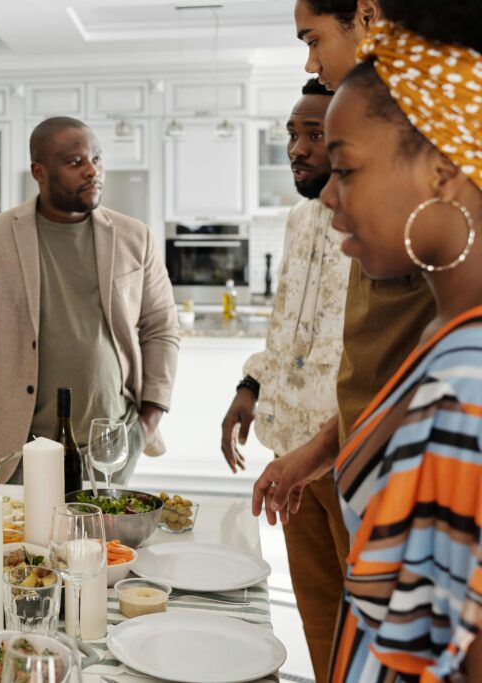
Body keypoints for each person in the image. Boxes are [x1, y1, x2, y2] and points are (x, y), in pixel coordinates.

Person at [303, 7, 482, 678]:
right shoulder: (444, 337)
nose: (328, 196)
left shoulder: (466, 391)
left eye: (345, 169)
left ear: (441, 169)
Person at [250, 0, 438, 524]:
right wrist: (313, 452)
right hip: (356, 466)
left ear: (367, 16)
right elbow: (376, 368)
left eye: (346, 168)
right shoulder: (371, 224)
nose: (330, 200)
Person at [0, 116, 179, 484]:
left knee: (102, 526)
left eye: (97, 159)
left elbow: (162, 328)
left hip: (111, 443)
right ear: (39, 172)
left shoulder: (135, 237)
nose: (92, 171)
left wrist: (149, 419)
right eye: (76, 162)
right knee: (16, 525)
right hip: (18, 446)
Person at [220, 79, 349, 683]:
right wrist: (249, 388)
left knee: (368, 620)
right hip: (290, 457)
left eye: (314, 135)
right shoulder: (298, 219)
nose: (296, 148)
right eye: (292, 135)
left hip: (348, 454)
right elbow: (286, 328)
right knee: (319, 617)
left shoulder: (378, 221)